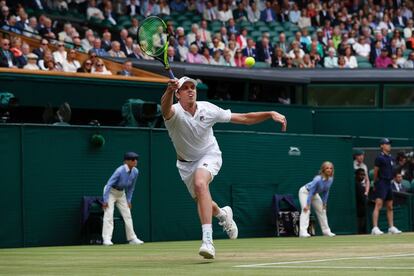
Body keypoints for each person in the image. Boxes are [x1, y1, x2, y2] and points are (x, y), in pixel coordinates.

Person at [161, 76, 287, 259]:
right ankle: (223, 214)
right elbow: (164, 109)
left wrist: (270, 113)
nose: (190, 90)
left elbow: (243, 118)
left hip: (209, 155)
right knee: (203, 200)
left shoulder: (208, 109)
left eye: (192, 87)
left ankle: (207, 241)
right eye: (185, 88)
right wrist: (168, 91)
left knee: (200, 184)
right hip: (185, 164)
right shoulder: (173, 113)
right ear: (178, 94)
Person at [102, 152, 144, 246]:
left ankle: (132, 238)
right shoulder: (119, 171)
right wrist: (105, 200)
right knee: (109, 214)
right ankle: (106, 239)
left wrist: (129, 200)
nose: (135, 161)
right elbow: (109, 185)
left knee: (127, 215)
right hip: (110, 192)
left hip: (121, 194)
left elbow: (131, 188)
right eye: (133, 159)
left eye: (136, 159)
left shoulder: (135, 171)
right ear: (126, 161)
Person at [371, 138, 402, 235]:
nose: (389, 145)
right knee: (378, 205)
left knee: (390, 206)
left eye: (389, 144)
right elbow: (375, 171)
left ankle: (391, 227)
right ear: (382, 146)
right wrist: (376, 183)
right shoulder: (379, 158)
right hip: (381, 183)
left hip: (389, 183)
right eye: (387, 144)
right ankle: (375, 228)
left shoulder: (391, 158)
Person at [298, 161, 336, 238]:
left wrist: (324, 203)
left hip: (315, 195)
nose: (329, 170)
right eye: (327, 168)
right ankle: (303, 232)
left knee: (322, 210)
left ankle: (326, 231)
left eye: (331, 168)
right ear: (323, 170)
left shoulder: (331, 179)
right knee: (306, 210)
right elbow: (311, 192)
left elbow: (326, 191)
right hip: (305, 192)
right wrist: (308, 204)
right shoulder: (317, 179)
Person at [355, 168, 367, 234]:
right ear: (356, 175)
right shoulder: (357, 184)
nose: (362, 176)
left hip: (362, 209)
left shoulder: (360, 184)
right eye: (361, 175)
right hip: (358, 209)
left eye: (364, 175)